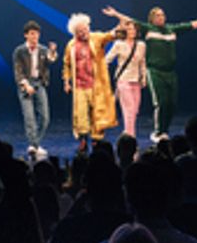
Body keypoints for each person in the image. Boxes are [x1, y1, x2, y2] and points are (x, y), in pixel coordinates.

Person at [103, 4, 197, 142]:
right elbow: (130, 21)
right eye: (157, 15)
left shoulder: (170, 31)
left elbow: (188, 25)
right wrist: (115, 14)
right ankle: (151, 133)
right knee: (157, 103)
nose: (161, 17)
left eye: (162, 15)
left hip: (166, 73)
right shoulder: (148, 29)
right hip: (151, 72)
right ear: (151, 19)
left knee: (170, 104)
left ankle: (163, 131)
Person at [63, 12, 118, 154]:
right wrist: (67, 82)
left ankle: (96, 140)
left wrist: (119, 24)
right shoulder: (71, 45)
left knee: (97, 113)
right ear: (75, 32)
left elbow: (109, 36)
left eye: (85, 29)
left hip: (96, 85)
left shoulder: (96, 38)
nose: (83, 33)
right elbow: (67, 64)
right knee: (81, 115)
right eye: (80, 31)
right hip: (80, 86)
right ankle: (82, 140)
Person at [12, 20, 59, 150]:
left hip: (39, 83)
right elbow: (18, 71)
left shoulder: (43, 49)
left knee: (45, 117)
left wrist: (52, 51)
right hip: (25, 84)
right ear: (26, 35)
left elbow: (51, 60)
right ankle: (33, 145)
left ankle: (35, 143)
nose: (35, 37)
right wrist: (26, 85)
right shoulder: (19, 51)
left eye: (37, 34)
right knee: (29, 118)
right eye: (32, 34)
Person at [106, 20, 149, 140]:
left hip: (136, 80)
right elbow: (107, 59)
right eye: (129, 29)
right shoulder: (119, 44)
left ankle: (127, 132)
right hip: (123, 80)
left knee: (135, 110)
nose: (132, 31)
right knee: (129, 109)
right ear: (125, 31)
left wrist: (144, 77)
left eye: (134, 29)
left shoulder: (141, 45)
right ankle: (131, 136)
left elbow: (143, 63)